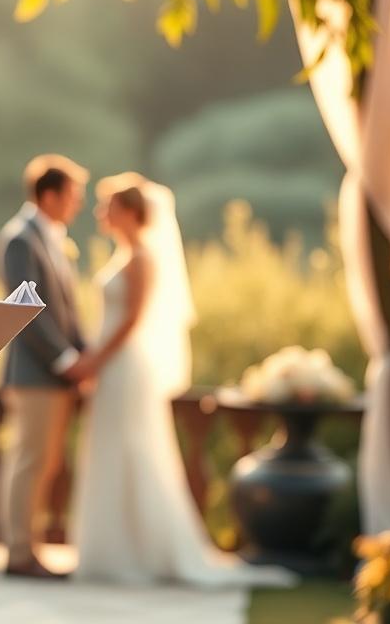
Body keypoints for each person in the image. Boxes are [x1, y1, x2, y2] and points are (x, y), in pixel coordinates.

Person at [70, 172, 295, 587]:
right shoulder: (125, 256)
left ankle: (142, 551)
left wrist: (94, 362)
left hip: (124, 367)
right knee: (110, 450)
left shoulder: (143, 259)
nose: (101, 213)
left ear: (130, 212)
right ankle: (113, 550)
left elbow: (133, 320)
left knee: (133, 451)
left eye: (109, 206)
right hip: (111, 367)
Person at [0, 154, 90, 578]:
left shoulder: (50, 237)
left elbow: (68, 310)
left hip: (55, 377)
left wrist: (85, 356)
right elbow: (26, 308)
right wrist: (67, 360)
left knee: (44, 461)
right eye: (72, 196)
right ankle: (18, 553)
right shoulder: (20, 239)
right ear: (49, 195)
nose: (77, 205)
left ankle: (27, 548)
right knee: (29, 460)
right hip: (34, 375)